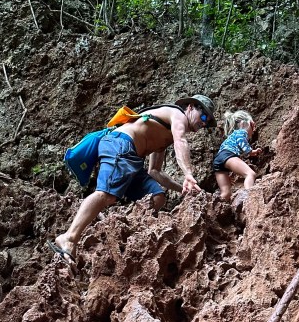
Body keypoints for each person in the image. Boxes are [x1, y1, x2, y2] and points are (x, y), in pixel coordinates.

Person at [49, 94, 216, 263]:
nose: (204, 123)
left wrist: (183, 189)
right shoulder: (178, 115)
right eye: (203, 117)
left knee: (157, 197)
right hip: (120, 145)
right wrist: (188, 174)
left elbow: (155, 172)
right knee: (106, 194)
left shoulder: (164, 135)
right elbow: (180, 141)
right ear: (190, 107)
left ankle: (122, 235)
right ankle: (69, 238)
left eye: (207, 123)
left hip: (132, 158)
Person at [213, 109, 261, 202]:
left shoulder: (231, 137)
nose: (253, 131)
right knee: (250, 174)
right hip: (228, 155)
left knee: (226, 193)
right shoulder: (241, 132)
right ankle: (250, 199)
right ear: (245, 123)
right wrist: (252, 152)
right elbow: (243, 145)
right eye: (253, 126)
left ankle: (215, 206)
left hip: (218, 161)